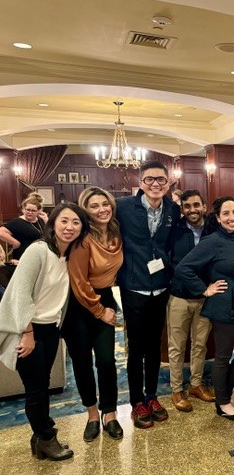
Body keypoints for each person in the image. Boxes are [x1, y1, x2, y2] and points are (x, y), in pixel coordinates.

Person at [0, 202, 88, 461]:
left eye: (76, 222)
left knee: (42, 385)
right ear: (52, 223)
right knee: (36, 389)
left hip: (50, 329)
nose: (69, 227)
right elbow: (19, 293)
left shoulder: (67, 253)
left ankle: (40, 439)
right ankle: (47, 437)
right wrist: (26, 333)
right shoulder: (38, 251)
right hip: (29, 329)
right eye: (64, 221)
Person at [173, 196, 234, 422]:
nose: (232, 217)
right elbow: (184, 268)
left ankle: (223, 394)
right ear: (218, 218)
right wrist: (203, 289)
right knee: (223, 357)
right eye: (226, 214)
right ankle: (223, 402)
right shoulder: (213, 241)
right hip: (224, 308)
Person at [115, 160, 181, 429]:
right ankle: (136, 401)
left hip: (161, 286)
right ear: (141, 183)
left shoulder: (173, 210)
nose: (156, 184)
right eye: (150, 179)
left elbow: (172, 243)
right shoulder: (122, 207)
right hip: (133, 287)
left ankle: (152, 396)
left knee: (155, 347)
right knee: (136, 348)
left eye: (161, 180)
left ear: (168, 184)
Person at [61, 187, 124, 442]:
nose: (101, 210)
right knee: (82, 363)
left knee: (107, 361)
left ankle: (109, 412)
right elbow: (78, 282)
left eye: (104, 204)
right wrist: (100, 311)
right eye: (94, 206)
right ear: (86, 212)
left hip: (105, 297)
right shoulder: (83, 239)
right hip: (79, 305)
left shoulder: (117, 232)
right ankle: (91, 414)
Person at [167, 189, 215, 412]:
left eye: (197, 205)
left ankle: (196, 384)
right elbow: (171, 261)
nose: (192, 210)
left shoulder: (213, 229)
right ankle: (176, 389)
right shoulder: (174, 231)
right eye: (187, 206)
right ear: (182, 209)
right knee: (177, 346)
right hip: (179, 296)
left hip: (206, 297)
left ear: (204, 207)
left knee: (200, 344)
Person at [0, 194, 48, 266]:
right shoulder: (18, 222)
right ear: (23, 209)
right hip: (23, 259)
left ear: (39, 211)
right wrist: (16, 243)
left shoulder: (40, 220)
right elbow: (1, 232)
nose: (30, 212)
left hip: (39, 257)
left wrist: (47, 221)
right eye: (28, 210)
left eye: (33, 211)